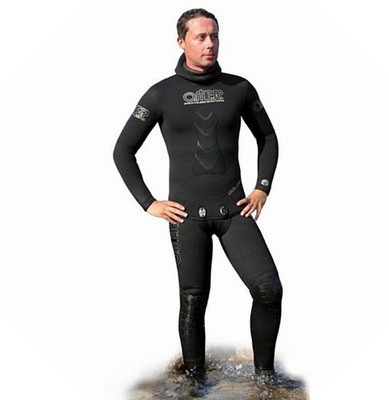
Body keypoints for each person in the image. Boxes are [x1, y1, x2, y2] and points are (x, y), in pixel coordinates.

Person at [113, 8, 282, 386]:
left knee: (268, 290)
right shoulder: (161, 94)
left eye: (214, 36)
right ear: (181, 41)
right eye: (200, 37)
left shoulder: (239, 88)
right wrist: (148, 202)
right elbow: (123, 150)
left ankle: (265, 380)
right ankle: (194, 383)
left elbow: (268, 137)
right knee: (193, 299)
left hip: (234, 210)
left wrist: (262, 187)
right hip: (186, 216)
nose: (209, 44)